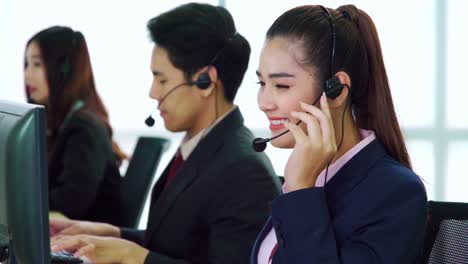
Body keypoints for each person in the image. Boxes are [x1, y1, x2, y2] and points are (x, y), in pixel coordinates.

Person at [50, 3, 281, 263]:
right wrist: (113, 234)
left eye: (162, 80)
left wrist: (136, 258)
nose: (153, 92)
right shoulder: (202, 145)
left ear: (205, 81)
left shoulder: (244, 170)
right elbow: (179, 243)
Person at [251, 4, 427, 264]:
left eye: (281, 85)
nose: (264, 102)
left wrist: (301, 189)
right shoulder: (311, 172)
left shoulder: (396, 193)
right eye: (262, 83)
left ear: (336, 89)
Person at [24, 26, 127, 225]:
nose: (28, 74)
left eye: (37, 64)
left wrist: (19, 197)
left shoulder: (84, 127)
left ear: (64, 70)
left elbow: (70, 201)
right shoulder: (60, 124)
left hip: (90, 243)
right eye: (27, 64)